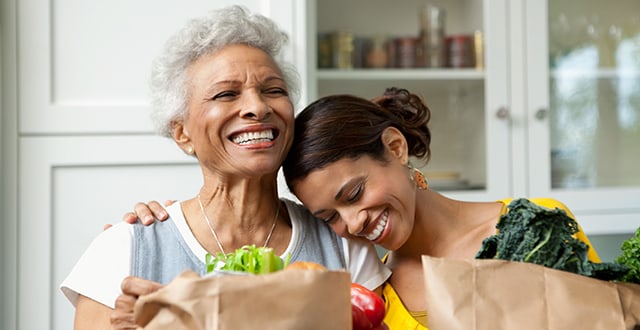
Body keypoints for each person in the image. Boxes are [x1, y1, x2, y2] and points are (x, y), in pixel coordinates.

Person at [127, 87, 602, 329]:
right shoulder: (367, 287)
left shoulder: (532, 224)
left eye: (353, 194)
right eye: (328, 217)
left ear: (395, 147)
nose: (353, 224)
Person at [60, 6, 390, 329]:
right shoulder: (123, 249)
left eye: (273, 90)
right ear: (182, 133)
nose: (257, 107)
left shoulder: (344, 244)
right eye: (226, 94)